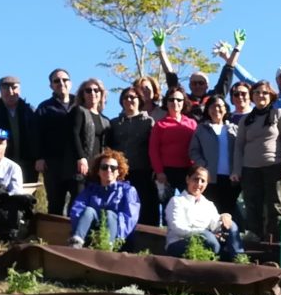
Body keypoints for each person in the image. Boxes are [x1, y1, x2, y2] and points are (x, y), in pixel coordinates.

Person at [232, 81, 281, 241]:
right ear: (252, 96)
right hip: (250, 168)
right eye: (257, 92)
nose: (261, 96)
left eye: (265, 93)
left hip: (274, 166)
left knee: (275, 206)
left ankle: (275, 239)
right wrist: (236, 170)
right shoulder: (246, 120)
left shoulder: (279, 114)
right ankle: (254, 236)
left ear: (271, 95)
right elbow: (239, 147)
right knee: (252, 205)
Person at [153, 28, 240, 121]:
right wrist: (161, 49)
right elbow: (171, 76)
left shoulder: (214, 97)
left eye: (201, 83)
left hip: (210, 132)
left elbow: (227, 73)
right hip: (189, 132)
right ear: (189, 86)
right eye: (194, 83)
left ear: (207, 85)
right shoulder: (184, 100)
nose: (198, 86)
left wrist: (237, 48)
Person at [165, 166, 244, 261]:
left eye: (203, 181)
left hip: (208, 241)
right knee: (209, 238)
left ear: (207, 184)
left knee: (232, 225)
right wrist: (202, 233)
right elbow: (177, 228)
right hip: (178, 243)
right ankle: (222, 256)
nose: (199, 184)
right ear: (187, 179)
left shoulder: (208, 204)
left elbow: (215, 225)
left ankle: (240, 261)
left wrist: (224, 219)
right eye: (196, 179)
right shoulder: (176, 201)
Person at [68, 149, 141, 248]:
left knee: (110, 214)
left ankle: (106, 246)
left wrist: (118, 237)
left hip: (116, 239)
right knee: (89, 210)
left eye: (113, 168)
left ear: (118, 171)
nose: (109, 170)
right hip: (90, 236)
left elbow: (130, 217)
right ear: (98, 171)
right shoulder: (90, 190)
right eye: (104, 167)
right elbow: (77, 209)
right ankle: (75, 244)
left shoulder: (127, 191)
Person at [108, 87, 158, 226]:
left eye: (133, 97)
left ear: (140, 100)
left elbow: (153, 147)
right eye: (126, 97)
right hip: (119, 174)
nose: (129, 100)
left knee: (144, 208)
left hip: (143, 172)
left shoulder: (148, 122)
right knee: (119, 208)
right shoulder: (114, 123)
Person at [188, 95, 240, 220]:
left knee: (228, 213)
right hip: (210, 179)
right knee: (211, 214)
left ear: (226, 109)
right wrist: (205, 166)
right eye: (213, 106)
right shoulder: (201, 129)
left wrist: (237, 171)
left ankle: (228, 237)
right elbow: (193, 151)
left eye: (220, 106)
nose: (216, 109)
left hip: (231, 179)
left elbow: (240, 152)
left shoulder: (234, 129)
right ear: (208, 110)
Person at [34, 68, 76, 214]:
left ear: (70, 83)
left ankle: (76, 235)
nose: (61, 83)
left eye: (65, 80)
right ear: (51, 86)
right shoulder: (44, 107)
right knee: (55, 201)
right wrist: (39, 157)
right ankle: (54, 236)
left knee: (78, 201)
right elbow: (36, 135)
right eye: (56, 81)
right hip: (53, 163)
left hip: (75, 162)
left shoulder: (80, 104)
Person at [0, 75, 36, 184]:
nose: (10, 92)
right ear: (0, 91)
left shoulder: (30, 111)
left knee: (27, 196)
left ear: (19, 89)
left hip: (28, 163)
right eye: (6, 88)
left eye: (14, 88)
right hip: (2, 162)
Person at [149, 87, 198, 197]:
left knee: (188, 203)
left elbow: (197, 147)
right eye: (171, 99)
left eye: (179, 100)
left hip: (187, 171)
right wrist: (159, 172)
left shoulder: (192, 123)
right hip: (167, 172)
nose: (175, 102)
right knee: (168, 206)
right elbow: (153, 150)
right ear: (167, 102)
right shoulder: (160, 125)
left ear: (184, 102)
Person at [68, 78, 112, 194]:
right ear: (82, 94)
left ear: (101, 94)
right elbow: (74, 134)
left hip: (98, 168)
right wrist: (81, 158)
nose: (92, 93)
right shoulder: (79, 111)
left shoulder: (105, 120)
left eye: (96, 90)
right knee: (79, 199)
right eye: (88, 90)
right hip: (81, 166)